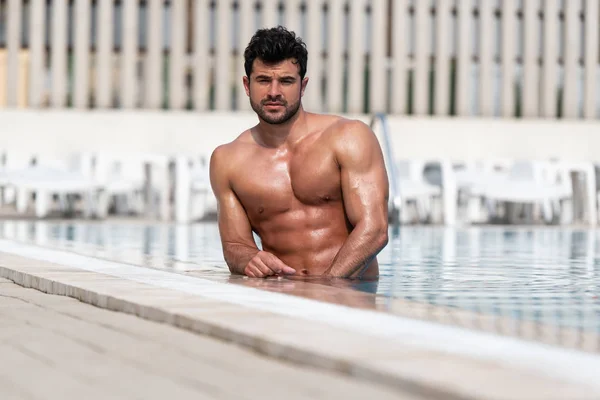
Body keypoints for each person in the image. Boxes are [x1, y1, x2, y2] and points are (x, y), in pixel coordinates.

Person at [209, 26, 389, 281]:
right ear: (247, 85)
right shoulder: (227, 161)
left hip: (351, 293)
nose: (274, 92)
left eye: (286, 81)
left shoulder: (349, 137)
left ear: (303, 85)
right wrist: (249, 259)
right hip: (285, 297)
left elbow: (375, 230)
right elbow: (234, 246)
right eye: (263, 80)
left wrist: (326, 287)